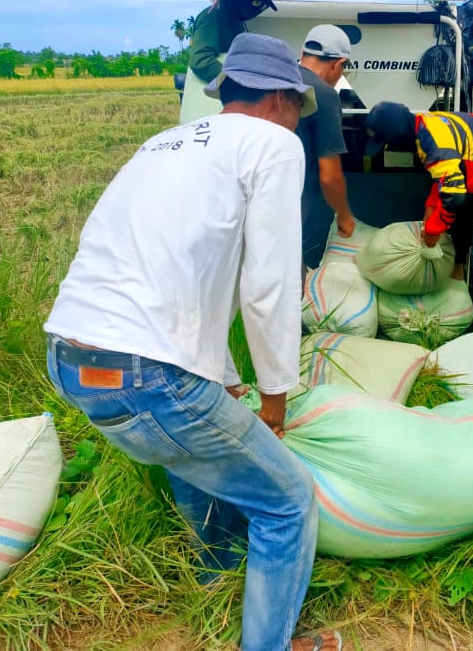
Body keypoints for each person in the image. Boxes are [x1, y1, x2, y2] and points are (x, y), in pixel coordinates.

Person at [44, 33, 342, 651]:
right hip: (149, 372)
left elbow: (183, 283)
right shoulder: (275, 143)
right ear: (283, 98)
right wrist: (274, 398)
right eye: (298, 108)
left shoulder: (163, 144)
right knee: (288, 502)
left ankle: (219, 580)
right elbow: (269, 284)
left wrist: (227, 377)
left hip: (73, 360)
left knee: (190, 447)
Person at [364, 102, 473, 330]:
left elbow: (454, 198)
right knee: (458, 224)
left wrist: (431, 234)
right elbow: (447, 178)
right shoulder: (426, 124)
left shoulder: (432, 144)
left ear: (398, 137)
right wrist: (431, 206)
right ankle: (458, 284)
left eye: (386, 143)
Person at [296, 24, 355, 269]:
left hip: (260, 196)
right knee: (298, 267)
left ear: (303, 54)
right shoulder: (324, 94)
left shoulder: (274, 80)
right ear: (338, 63)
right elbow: (330, 176)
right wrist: (343, 214)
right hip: (302, 203)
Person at [189, 0, 278, 84]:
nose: (259, 10)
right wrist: (238, 82)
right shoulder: (213, 16)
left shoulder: (234, 21)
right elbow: (200, 60)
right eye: (257, 3)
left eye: (264, 7)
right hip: (213, 95)